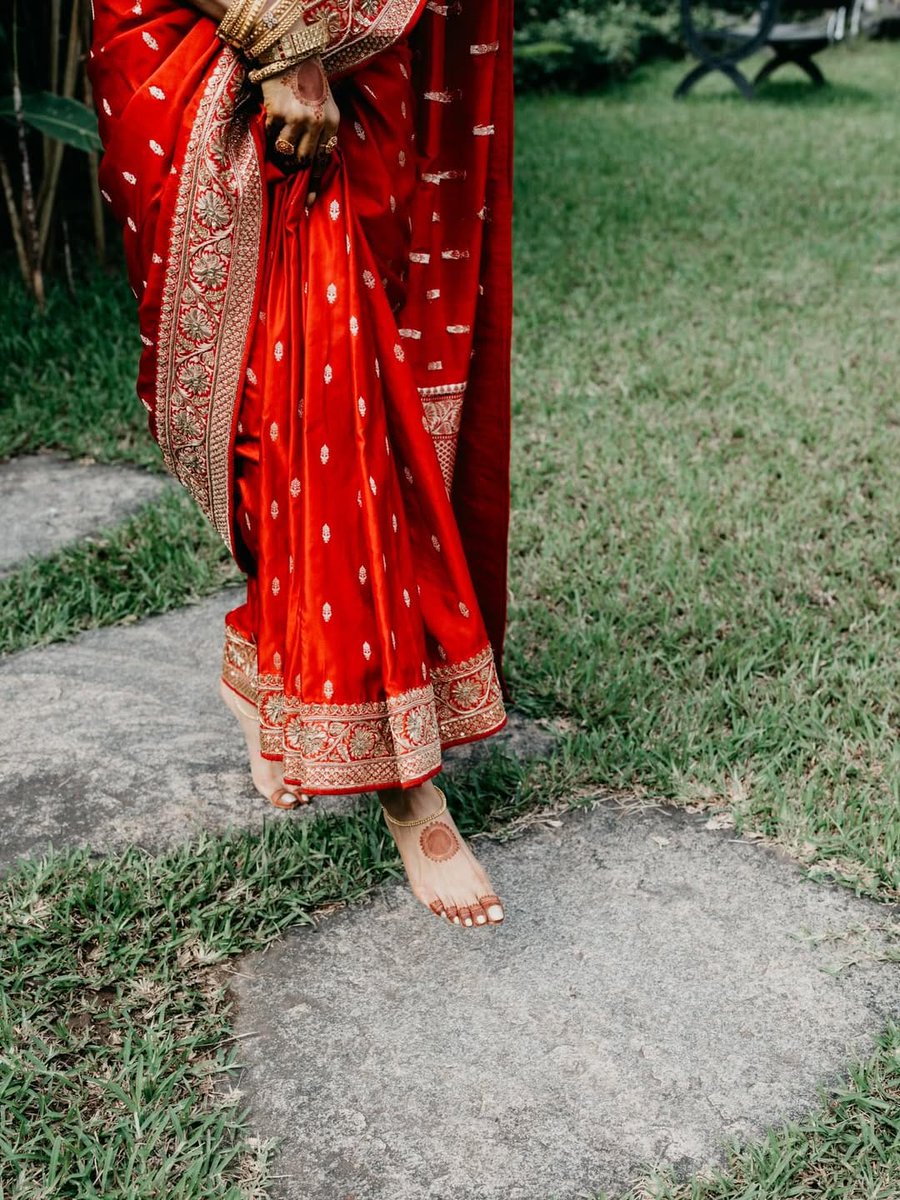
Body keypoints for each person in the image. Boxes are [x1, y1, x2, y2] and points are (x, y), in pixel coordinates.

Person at [87, 0, 513, 928]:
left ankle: (270, 657)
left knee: (339, 394)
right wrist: (279, 40)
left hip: (373, 47)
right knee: (293, 393)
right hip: (218, 38)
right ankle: (408, 789)